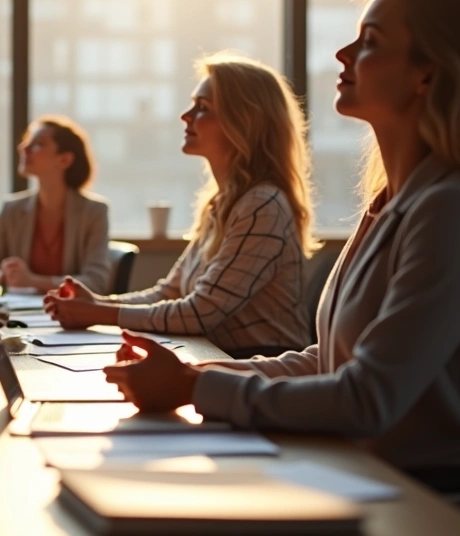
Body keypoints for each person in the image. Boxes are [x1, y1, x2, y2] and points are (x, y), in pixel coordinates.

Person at [103, 0, 460, 535]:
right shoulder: (391, 204)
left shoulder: (452, 210)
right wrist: (197, 377)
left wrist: (194, 386)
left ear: (428, 72)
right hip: (371, 481)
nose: (343, 54)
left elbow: (366, 398)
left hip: (452, 509)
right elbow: (326, 362)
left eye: (370, 42)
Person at [45, 55, 316, 357]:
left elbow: (200, 313)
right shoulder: (222, 203)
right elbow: (169, 293)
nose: (186, 116)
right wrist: (96, 303)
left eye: (203, 108)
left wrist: (97, 313)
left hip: (259, 368)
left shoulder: (261, 205)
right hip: (218, 360)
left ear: (243, 122)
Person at [0, 116, 111, 294]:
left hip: (68, 310)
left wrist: (32, 281)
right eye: (27, 142)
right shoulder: (12, 209)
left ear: (64, 160)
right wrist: (4, 276)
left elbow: (96, 282)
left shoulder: (94, 212)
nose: (23, 148)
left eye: (38, 144)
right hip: (17, 309)